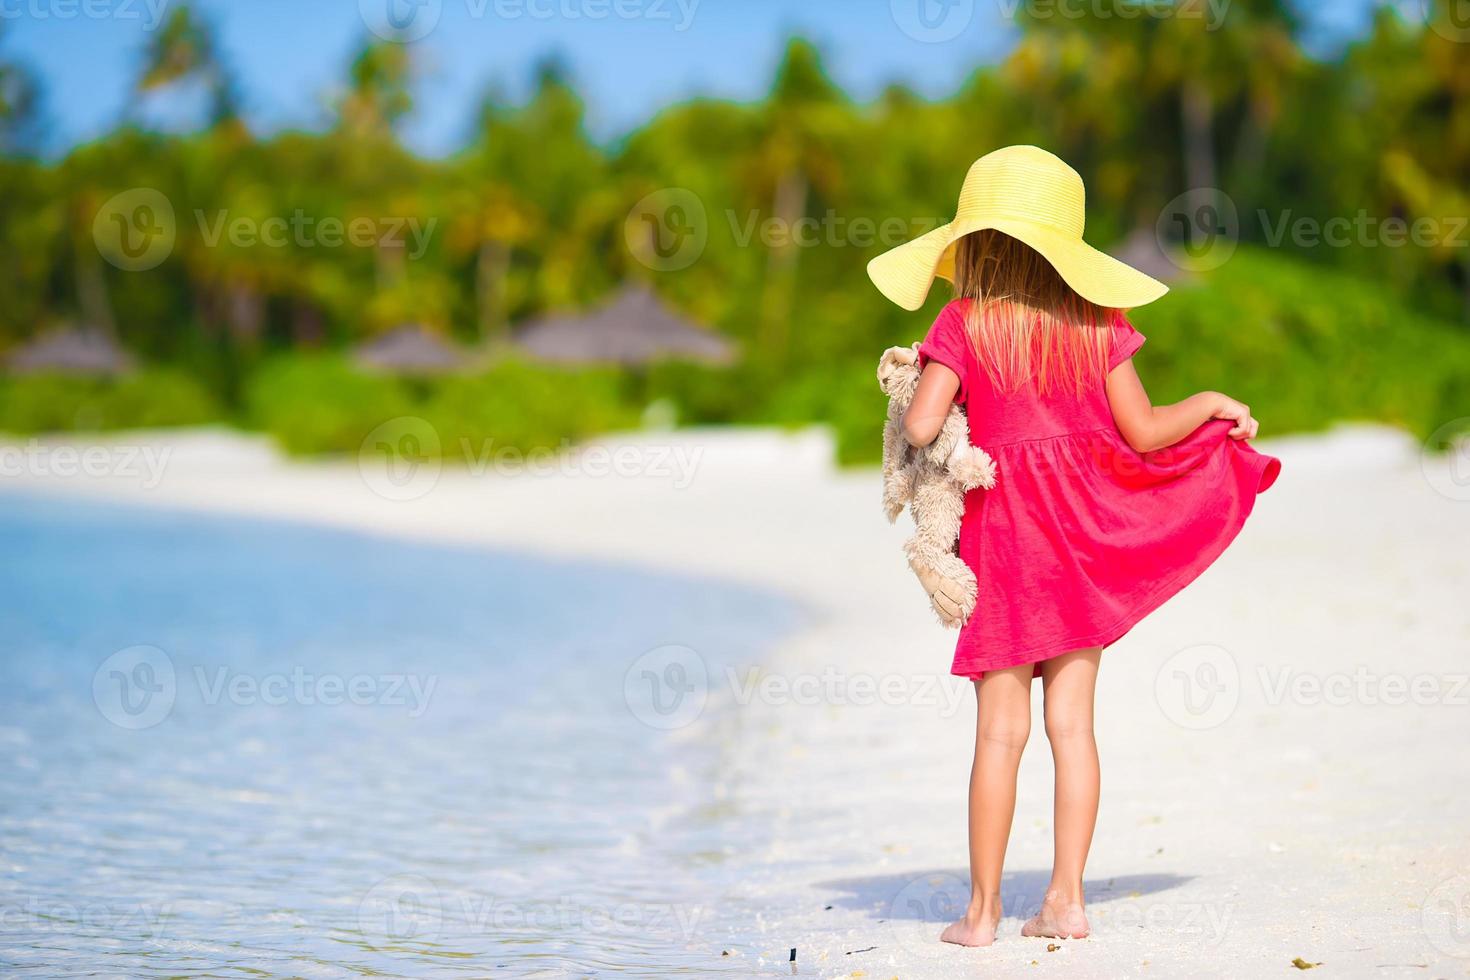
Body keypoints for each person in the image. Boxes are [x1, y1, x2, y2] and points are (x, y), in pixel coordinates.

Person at [866, 146, 1280, 947]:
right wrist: (1211, 403)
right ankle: (1067, 901)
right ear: (1068, 249)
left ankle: (982, 914)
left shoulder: (965, 322)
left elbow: (920, 428)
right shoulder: (1099, 324)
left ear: (975, 245)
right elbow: (1147, 430)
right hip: (1081, 542)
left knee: (998, 733)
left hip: (1003, 545)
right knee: (1074, 729)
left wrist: (917, 381)